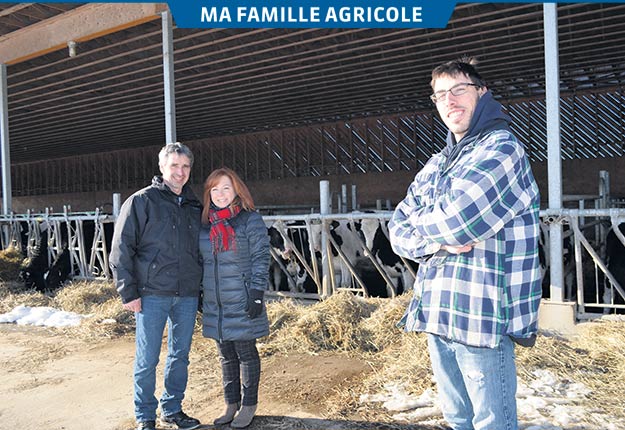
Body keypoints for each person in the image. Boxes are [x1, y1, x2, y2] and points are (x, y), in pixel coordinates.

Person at [388, 57, 542, 430]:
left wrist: (428, 229)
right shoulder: (439, 162)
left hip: (481, 317)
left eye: (459, 89)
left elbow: (459, 222)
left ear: (482, 93)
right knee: (457, 419)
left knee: (492, 423)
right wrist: (437, 242)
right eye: (441, 94)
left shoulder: (502, 150)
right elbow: (396, 229)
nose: (450, 100)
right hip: (439, 312)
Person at [109, 142, 203, 430]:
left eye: (185, 166)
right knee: (147, 358)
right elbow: (121, 248)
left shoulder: (193, 205)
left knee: (180, 356)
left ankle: (172, 409)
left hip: (186, 294)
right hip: (151, 294)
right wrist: (128, 291)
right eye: (174, 165)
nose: (180, 172)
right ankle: (145, 416)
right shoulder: (141, 201)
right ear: (162, 167)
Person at [199, 167, 270, 429]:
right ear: (209, 194)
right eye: (215, 189)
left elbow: (261, 258)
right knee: (225, 355)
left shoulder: (250, 220)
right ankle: (231, 404)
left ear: (236, 190)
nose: (220, 194)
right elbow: (201, 262)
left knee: (245, 353)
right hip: (216, 302)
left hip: (242, 298)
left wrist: (256, 294)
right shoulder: (205, 226)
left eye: (226, 188)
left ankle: (248, 405)